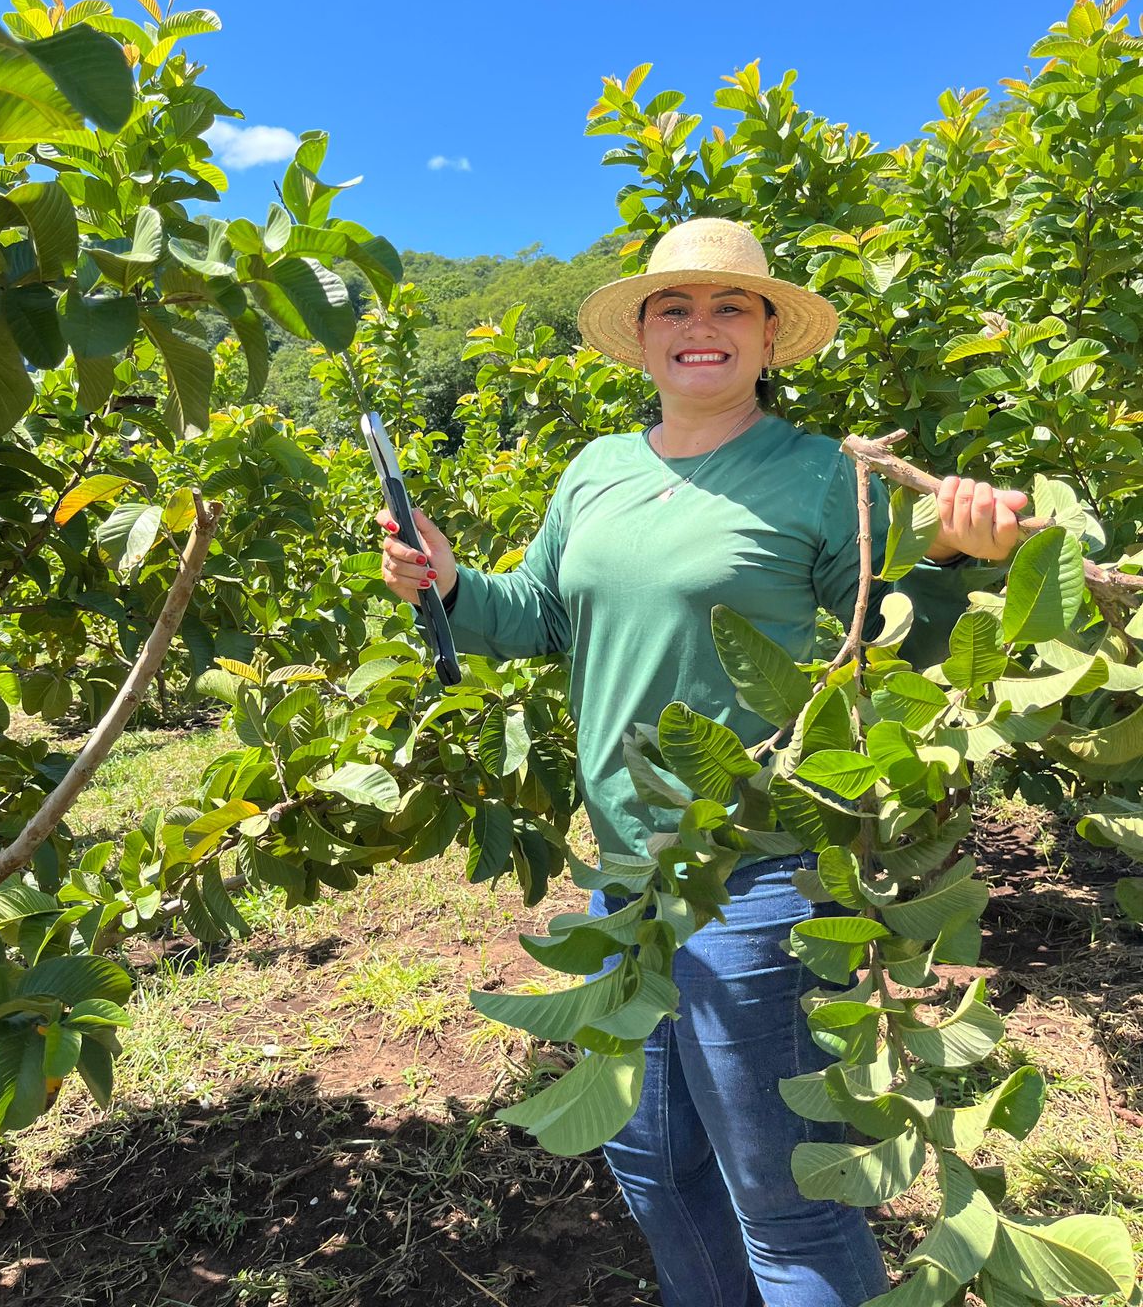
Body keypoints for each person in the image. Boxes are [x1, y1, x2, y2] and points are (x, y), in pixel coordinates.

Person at [377, 218, 1027, 1307]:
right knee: (656, 1169)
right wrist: (446, 585)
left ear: (771, 338)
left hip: (758, 873)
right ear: (640, 340)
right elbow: (538, 614)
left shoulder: (823, 476)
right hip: (625, 879)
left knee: (786, 1201)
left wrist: (963, 550)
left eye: (731, 307)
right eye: (673, 308)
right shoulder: (595, 470)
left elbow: (904, 635)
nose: (700, 327)